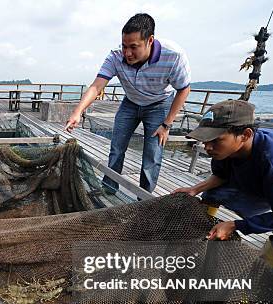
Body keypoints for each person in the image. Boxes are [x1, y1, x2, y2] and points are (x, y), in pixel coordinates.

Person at [174, 99, 273, 268]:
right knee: (214, 193)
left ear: (245, 135)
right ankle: (201, 235)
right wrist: (194, 189)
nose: (207, 147)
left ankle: (262, 281)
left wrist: (235, 225)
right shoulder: (226, 150)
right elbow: (222, 176)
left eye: (215, 140)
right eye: (204, 139)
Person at [65, 13, 191, 193]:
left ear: (150, 41)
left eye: (134, 47)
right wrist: (77, 111)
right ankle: (109, 189)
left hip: (159, 104)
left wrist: (167, 124)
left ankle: (144, 198)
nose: (128, 53)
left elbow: (184, 89)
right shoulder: (116, 56)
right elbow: (96, 86)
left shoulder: (174, 56)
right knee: (116, 147)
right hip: (130, 102)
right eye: (124, 46)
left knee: (152, 155)